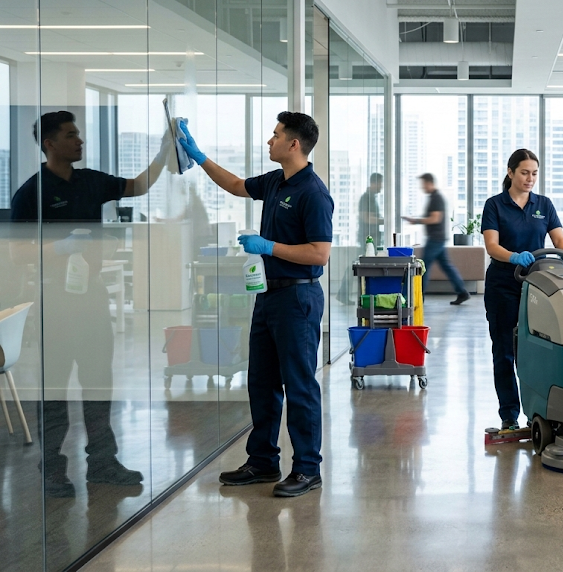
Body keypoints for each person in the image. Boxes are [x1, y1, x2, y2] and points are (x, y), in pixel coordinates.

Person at [10, 110, 170, 497]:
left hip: (92, 297)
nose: (79, 141)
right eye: (70, 135)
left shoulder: (92, 181)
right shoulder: (31, 192)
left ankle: (102, 464)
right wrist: (62, 247)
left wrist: (166, 151)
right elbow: (17, 254)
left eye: (78, 134)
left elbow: (139, 186)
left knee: (99, 383)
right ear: (50, 144)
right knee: (56, 389)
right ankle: (52, 471)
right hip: (55, 300)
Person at [176, 111, 334, 497]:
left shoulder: (312, 192)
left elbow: (320, 254)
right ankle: (263, 461)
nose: (270, 141)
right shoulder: (277, 182)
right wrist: (198, 156)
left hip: (298, 296)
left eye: (276, 135)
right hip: (268, 295)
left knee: (298, 384)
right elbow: (234, 185)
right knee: (261, 382)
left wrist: (268, 247)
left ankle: (307, 469)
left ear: (294, 144)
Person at [481, 149, 563, 430]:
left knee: (536, 349)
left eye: (534, 173)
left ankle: (539, 411)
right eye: (524, 172)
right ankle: (509, 416)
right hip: (503, 286)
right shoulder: (495, 205)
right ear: (510, 172)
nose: (530, 178)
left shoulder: (544, 205)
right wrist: (512, 256)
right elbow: (492, 245)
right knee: (504, 351)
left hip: (536, 286)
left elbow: (559, 238)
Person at [401, 173, 470, 305]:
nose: (422, 187)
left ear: (429, 183)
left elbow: (435, 218)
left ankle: (418, 297)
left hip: (435, 239)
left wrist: (415, 220)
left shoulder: (436, 198)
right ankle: (462, 292)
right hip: (438, 238)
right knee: (446, 266)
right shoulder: (434, 197)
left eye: (423, 184)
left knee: (423, 266)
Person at [358, 172, 384, 247]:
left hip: (373, 238)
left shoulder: (373, 198)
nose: (381, 186)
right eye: (380, 182)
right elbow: (366, 218)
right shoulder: (365, 198)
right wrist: (384, 221)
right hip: (368, 239)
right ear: (374, 183)